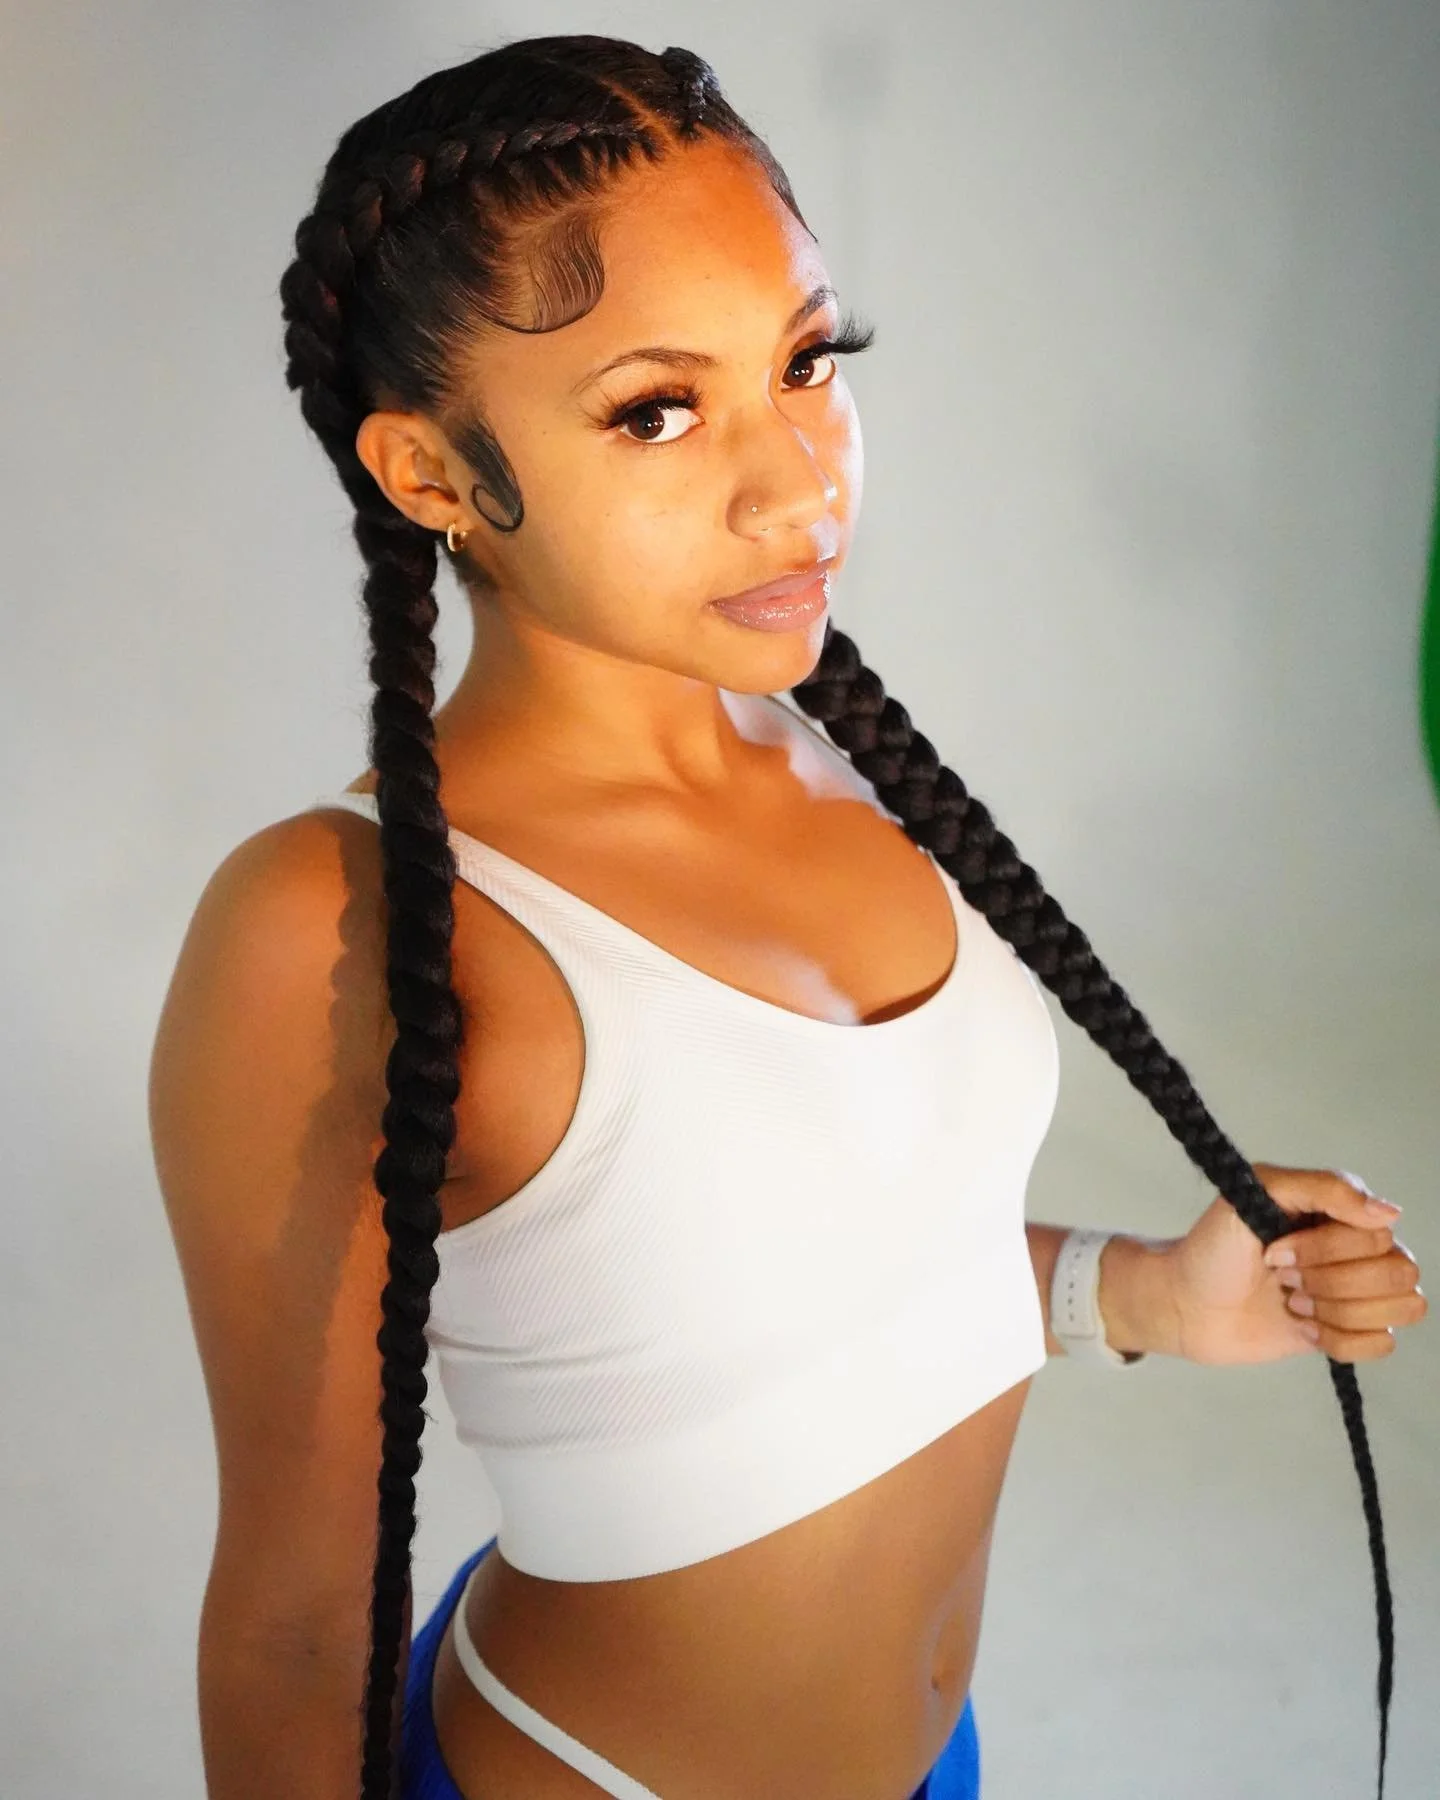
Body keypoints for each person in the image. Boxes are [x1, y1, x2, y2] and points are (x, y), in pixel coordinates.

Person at [147, 34, 1427, 1800]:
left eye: (810, 363)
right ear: (433, 475)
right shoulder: (342, 928)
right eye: (656, 409)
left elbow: (833, 1260)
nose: (799, 481)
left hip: (938, 1763)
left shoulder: (852, 777)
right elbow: (294, 1627)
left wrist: (1144, 1297)